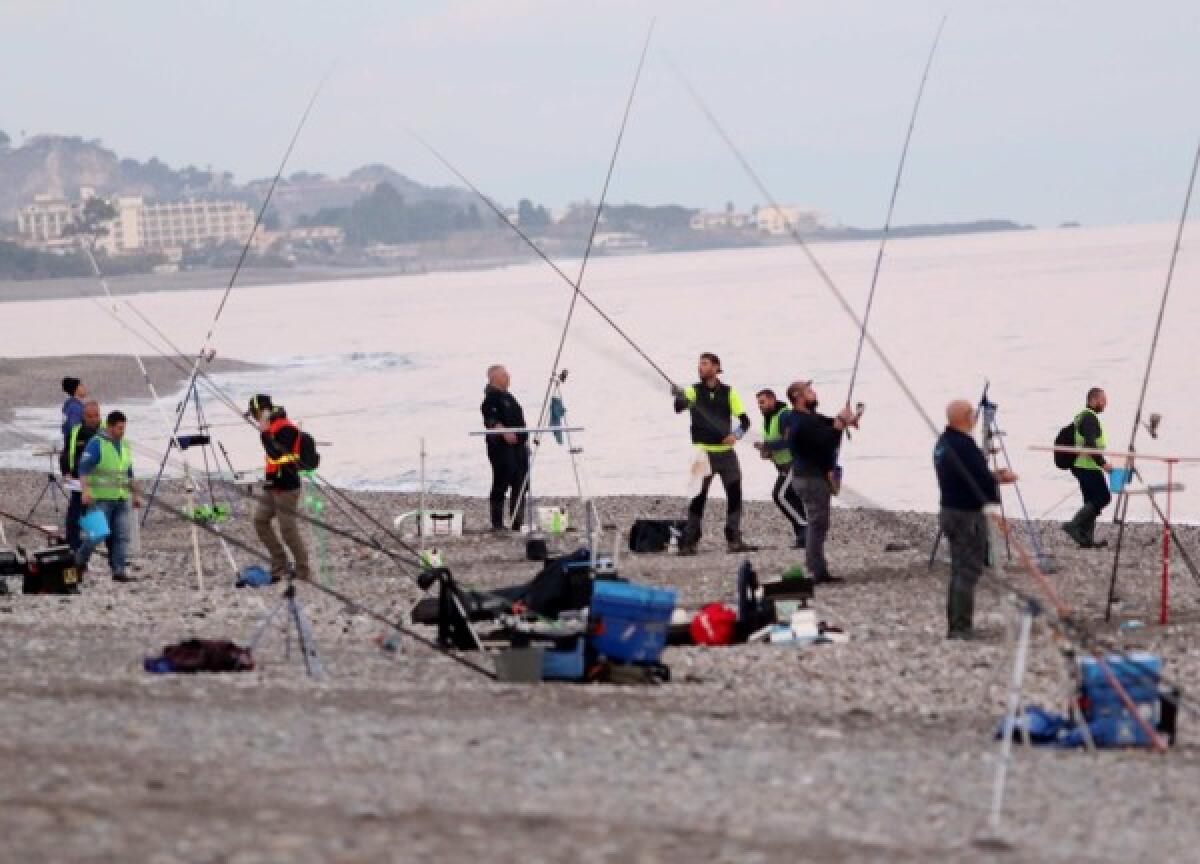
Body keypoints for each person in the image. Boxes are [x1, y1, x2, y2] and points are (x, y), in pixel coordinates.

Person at [934, 399, 1017, 640]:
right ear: (964, 417)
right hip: (965, 514)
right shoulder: (963, 445)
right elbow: (978, 480)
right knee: (968, 569)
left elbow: (969, 474)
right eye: (972, 414)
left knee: (960, 568)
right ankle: (960, 628)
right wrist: (995, 504)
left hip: (949, 510)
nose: (975, 418)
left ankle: (957, 623)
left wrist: (994, 476)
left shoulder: (944, 442)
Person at [671, 352, 753, 555]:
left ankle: (734, 538)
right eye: (699, 364)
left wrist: (736, 435)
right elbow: (678, 408)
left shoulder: (729, 392)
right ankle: (690, 540)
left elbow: (745, 422)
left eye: (705, 364)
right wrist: (679, 396)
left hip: (727, 454)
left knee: (735, 495)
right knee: (698, 496)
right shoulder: (692, 390)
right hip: (702, 453)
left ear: (716, 367)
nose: (700, 367)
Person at [779, 380, 858, 583]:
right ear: (798, 396)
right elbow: (826, 442)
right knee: (817, 523)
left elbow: (827, 423)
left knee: (819, 523)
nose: (814, 393)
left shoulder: (809, 417)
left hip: (811, 476)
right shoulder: (800, 423)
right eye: (809, 391)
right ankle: (816, 571)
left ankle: (816, 567)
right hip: (810, 478)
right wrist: (839, 427)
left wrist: (844, 420)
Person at [247, 394, 312, 583]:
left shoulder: (285, 428)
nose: (253, 417)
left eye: (254, 413)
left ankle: (303, 571)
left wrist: (264, 433)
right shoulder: (272, 426)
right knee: (260, 520)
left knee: (288, 530)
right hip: (272, 485)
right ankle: (280, 564)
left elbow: (275, 455)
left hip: (287, 487)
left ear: (263, 411)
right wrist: (266, 431)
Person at [76, 410, 139, 582]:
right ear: (110, 427)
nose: (122, 431)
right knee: (97, 534)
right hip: (100, 498)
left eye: (124, 428)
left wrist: (135, 494)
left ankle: (118, 570)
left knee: (122, 536)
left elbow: (129, 471)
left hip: (121, 497)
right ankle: (79, 561)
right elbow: (83, 469)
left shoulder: (125, 444)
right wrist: (85, 491)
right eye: (119, 428)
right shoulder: (96, 444)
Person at [753, 388, 807, 548]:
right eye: (758, 403)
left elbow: (789, 442)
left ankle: (805, 527)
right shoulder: (768, 419)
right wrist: (766, 452)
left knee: (780, 495)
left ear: (772, 400)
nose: (760, 406)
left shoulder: (784, 415)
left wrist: (767, 445)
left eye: (762, 402)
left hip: (794, 463)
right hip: (782, 466)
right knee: (792, 498)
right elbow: (774, 445)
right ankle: (803, 535)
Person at [1062, 387, 1112, 548]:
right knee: (1103, 497)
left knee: (1090, 501)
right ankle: (1074, 525)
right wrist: (1103, 463)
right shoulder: (1089, 418)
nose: (1105, 404)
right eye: (1103, 401)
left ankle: (1086, 539)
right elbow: (1091, 445)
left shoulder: (1083, 416)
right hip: (1087, 466)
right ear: (1093, 400)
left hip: (1082, 465)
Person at [481, 365, 529, 531]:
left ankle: (517, 521)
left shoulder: (510, 397)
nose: (508, 377)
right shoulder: (491, 398)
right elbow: (490, 419)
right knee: (501, 481)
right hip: (501, 448)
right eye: (504, 375)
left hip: (519, 447)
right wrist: (502, 430)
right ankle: (497, 523)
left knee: (521, 482)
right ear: (495, 377)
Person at [60, 400, 103, 552]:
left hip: (99, 480)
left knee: (96, 511)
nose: (93, 419)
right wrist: (65, 470)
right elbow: (66, 452)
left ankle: (93, 542)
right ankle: (72, 543)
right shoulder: (75, 431)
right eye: (89, 416)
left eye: (96, 415)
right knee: (75, 512)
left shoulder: (105, 431)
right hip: (77, 479)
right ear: (84, 416)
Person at [60, 376, 87, 444]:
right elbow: (74, 430)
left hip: (69, 443)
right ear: (76, 389)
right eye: (81, 385)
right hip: (76, 446)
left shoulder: (69, 404)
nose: (84, 387)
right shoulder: (75, 407)